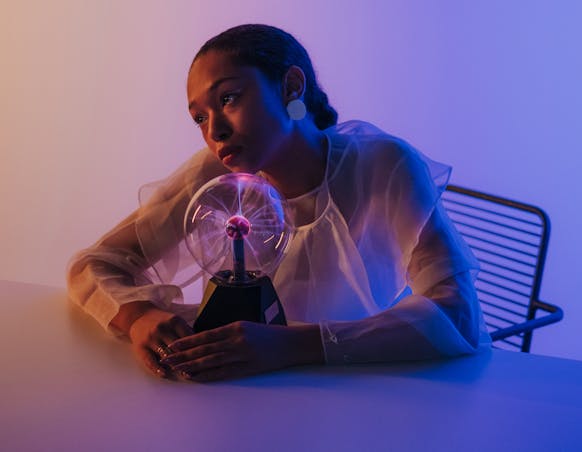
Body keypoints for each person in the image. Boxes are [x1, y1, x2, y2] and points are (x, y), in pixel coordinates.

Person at [67, 24, 489, 382]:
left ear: (291, 86)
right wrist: (139, 315)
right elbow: (94, 263)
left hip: (366, 387)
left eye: (228, 98)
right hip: (244, 395)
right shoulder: (212, 177)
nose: (214, 130)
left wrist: (292, 346)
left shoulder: (383, 165)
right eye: (198, 117)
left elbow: (457, 316)